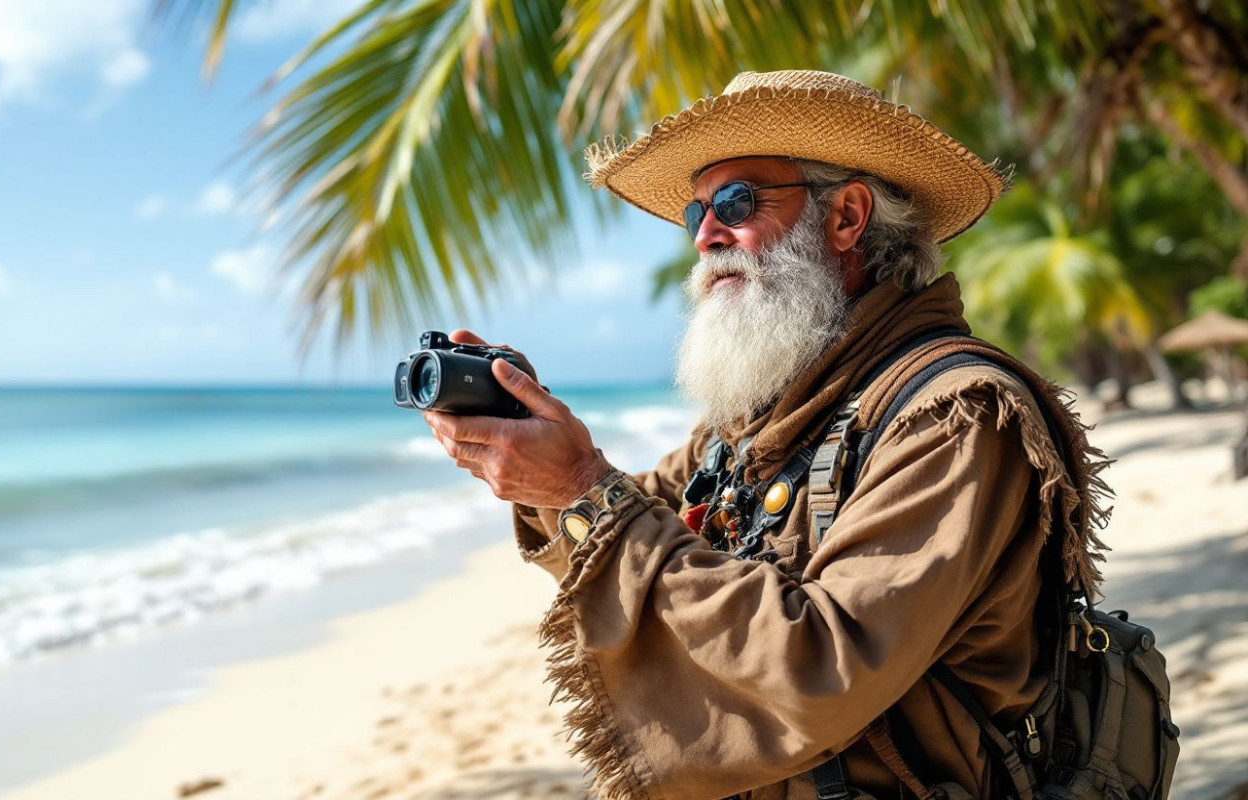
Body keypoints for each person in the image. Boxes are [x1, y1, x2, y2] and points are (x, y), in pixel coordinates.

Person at [423, 70, 1108, 800]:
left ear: (847, 217)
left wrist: (579, 488)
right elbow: (634, 516)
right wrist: (540, 446)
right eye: (696, 215)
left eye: (736, 203)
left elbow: (823, 668)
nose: (706, 236)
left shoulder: (956, 416)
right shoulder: (762, 414)